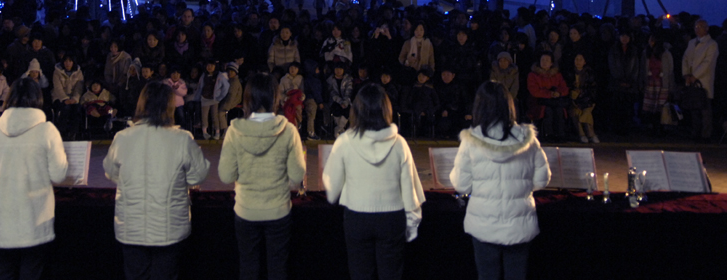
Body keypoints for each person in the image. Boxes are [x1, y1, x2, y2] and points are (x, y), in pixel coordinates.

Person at [104, 80, 210, 280]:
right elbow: (199, 175)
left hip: (131, 227)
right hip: (168, 229)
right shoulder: (182, 138)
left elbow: (111, 173)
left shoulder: (122, 137)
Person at [322, 83, 426, 280]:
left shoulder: (344, 141)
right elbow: (410, 190)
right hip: (392, 219)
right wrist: (412, 226)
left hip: (357, 218)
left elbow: (331, 189)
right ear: (386, 109)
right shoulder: (399, 143)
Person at [450, 81, 551, 280]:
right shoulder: (528, 138)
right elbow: (542, 179)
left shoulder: (471, 140)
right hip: (519, 224)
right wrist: (521, 187)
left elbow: (461, 185)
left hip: (483, 225)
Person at [0, 77, 69, 280]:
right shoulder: (47, 130)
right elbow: (58, 174)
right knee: (31, 270)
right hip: (34, 215)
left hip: (2, 213)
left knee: (2, 271)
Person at [218, 73, 307, 280]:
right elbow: (297, 175)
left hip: (246, 210)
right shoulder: (288, 130)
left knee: (248, 267)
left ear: (248, 98)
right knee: (278, 268)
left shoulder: (234, 131)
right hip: (278, 211)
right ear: (275, 97)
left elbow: (225, 175)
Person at [682, 19, 719, 139]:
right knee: (694, 109)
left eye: (701, 26)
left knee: (705, 109)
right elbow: (686, 58)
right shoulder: (692, 42)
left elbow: (707, 63)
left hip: (703, 80)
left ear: (707, 28)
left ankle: (706, 134)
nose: (697, 29)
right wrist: (686, 74)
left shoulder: (712, 44)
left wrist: (695, 76)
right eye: (696, 26)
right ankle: (695, 133)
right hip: (692, 80)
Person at [526, 53, 569, 140]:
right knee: (547, 110)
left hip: (555, 101)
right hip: (538, 102)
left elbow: (564, 88)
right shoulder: (533, 75)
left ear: (551, 63)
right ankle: (548, 134)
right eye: (543, 60)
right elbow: (534, 91)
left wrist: (558, 93)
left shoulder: (557, 75)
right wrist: (549, 94)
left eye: (547, 60)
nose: (544, 62)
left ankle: (560, 135)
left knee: (559, 110)